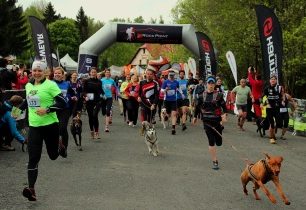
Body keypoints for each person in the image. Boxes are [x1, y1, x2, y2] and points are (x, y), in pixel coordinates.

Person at [22, 60, 67, 201]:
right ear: (31, 71)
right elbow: (27, 101)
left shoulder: (50, 85)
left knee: (53, 156)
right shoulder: (28, 85)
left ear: (44, 72)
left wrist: (47, 109)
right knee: (33, 158)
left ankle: (60, 145)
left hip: (50, 126)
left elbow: (63, 103)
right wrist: (16, 111)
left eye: (39, 70)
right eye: (34, 70)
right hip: (34, 127)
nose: (36, 73)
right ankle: (31, 189)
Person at [197, 76, 227, 170]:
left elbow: (224, 106)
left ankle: (219, 135)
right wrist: (194, 117)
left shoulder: (219, 95)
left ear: (214, 85)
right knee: (211, 141)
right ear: (206, 84)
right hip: (207, 122)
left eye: (212, 83)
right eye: (209, 83)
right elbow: (198, 107)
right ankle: (215, 161)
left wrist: (224, 115)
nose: (210, 85)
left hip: (217, 122)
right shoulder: (202, 95)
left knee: (219, 142)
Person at [53, 67, 75, 157]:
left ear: (63, 75)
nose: (57, 74)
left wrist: (72, 97)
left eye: (59, 73)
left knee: (62, 128)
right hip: (53, 109)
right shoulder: (50, 84)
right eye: (55, 73)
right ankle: (57, 145)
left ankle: (64, 148)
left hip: (64, 109)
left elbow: (72, 93)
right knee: (55, 129)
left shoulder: (67, 84)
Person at [83, 67, 104, 139]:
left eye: (95, 72)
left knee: (95, 115)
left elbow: (101, 91)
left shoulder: (99, 81)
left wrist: (104, 95)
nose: (93, 73)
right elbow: (84, 91)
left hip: (97, 101)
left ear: (96, 73)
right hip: (89, 101)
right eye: (92, 72)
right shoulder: (86, 81)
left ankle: (97, 132)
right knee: (90, 117)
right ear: (90, 73)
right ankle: (92, 130)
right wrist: (85, 96)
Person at [263, 75, 285, 144]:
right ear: (270, 81)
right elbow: (262, 96)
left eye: (274, 79)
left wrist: (283, 101)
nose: (273, 80)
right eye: (271, 79)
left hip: (277, 108)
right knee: (272, 123)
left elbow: (283, 95)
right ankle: (271, 138)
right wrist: (264, 102)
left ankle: (273, 134)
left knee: (278, 123)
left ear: (276, 80)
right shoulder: (267, 88)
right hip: (269, 108)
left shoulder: (280, 87)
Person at [161, 70, 183, 135]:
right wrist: (165, 90)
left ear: (174, 75)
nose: (171, 77)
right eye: (170, 75)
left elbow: (179, 89)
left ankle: (173, 128)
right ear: (168, 75)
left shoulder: (176, 82)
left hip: (174, 100)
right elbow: (161, 91)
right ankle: (167, 116)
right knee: (168, 114)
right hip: (166, 100)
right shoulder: (165, 82)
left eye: (172, 75)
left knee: (174, 114)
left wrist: (182, 94)